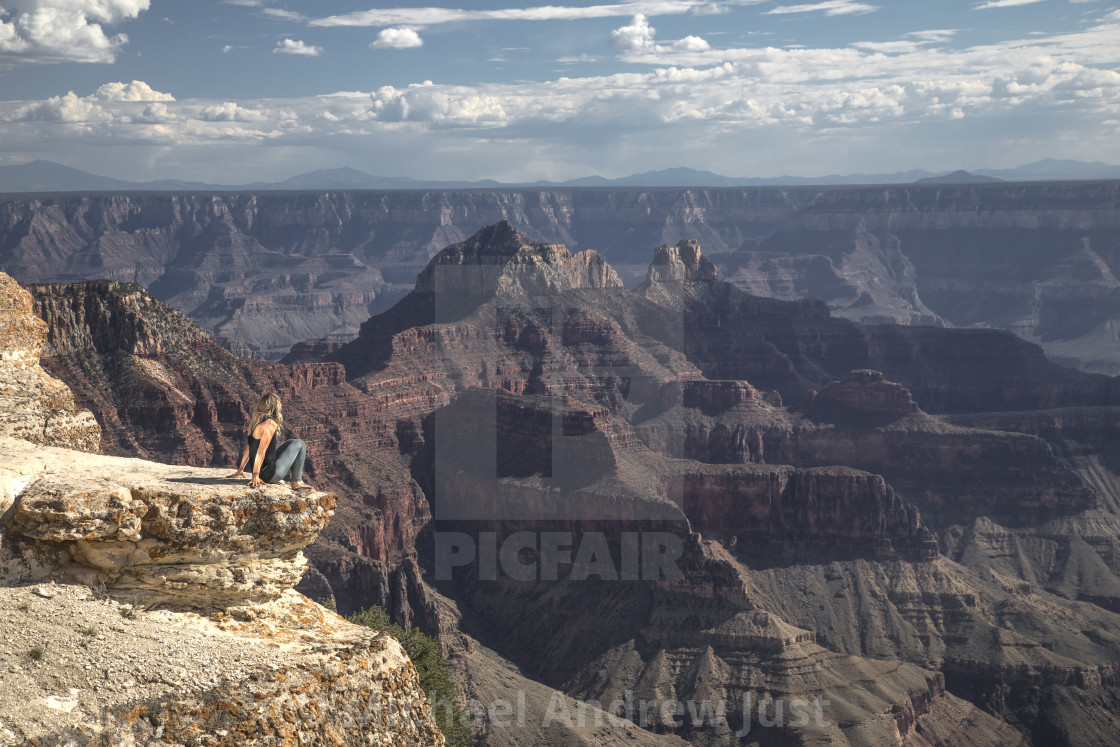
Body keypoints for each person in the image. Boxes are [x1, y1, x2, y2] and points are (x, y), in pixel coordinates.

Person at [227, 393, 314, 490]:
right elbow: (260, 452)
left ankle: (295, 480)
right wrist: (255, 475)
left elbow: (249, 447)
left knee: (291, 441)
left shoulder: (254, 423)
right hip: (270, 475)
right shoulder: (269, 425)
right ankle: (297, 482)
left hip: (263, 470)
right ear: (275, 407)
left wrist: (240, 469)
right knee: (300, 444)